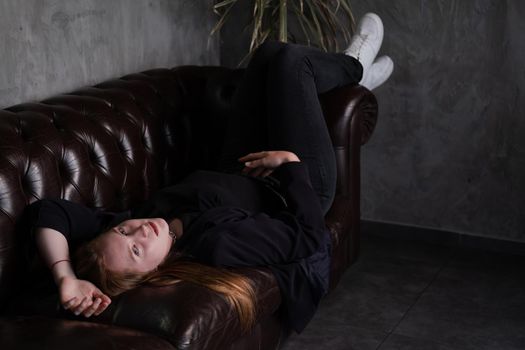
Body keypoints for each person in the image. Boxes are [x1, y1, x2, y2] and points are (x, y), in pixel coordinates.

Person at [25, 13, 392, 335]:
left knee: (268, 53)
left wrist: (66, 278)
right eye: (137, 250)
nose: (139, 230)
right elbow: (309, 237)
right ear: (153, 272)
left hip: (238, 164)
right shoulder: (219, 244)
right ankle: (354, 66)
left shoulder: (137, 221)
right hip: (296, 182)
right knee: (292, 63)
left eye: (122, 231)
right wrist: (291, 165)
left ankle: (350, 80)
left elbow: (49, 211)